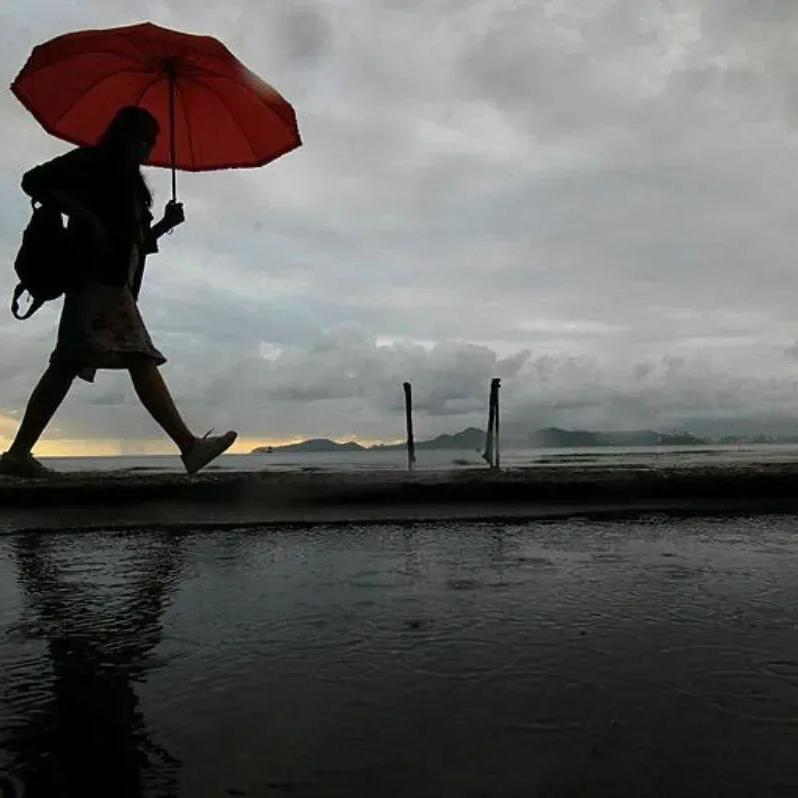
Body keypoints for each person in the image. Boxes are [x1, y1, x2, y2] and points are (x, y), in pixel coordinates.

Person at [0, 106, 236, 478]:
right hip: (98, 281)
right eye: (145, 140)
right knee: (139, 357)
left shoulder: (131, 184)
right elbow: (33, 180)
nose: (148, 149)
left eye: (153, 143)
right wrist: (82, 212)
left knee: (65, 365)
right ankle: (189, 446)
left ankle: (17, 454)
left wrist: (163, 226)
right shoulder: (92, 161)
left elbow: (132, 244)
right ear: (124, 136)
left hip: (110, 281)